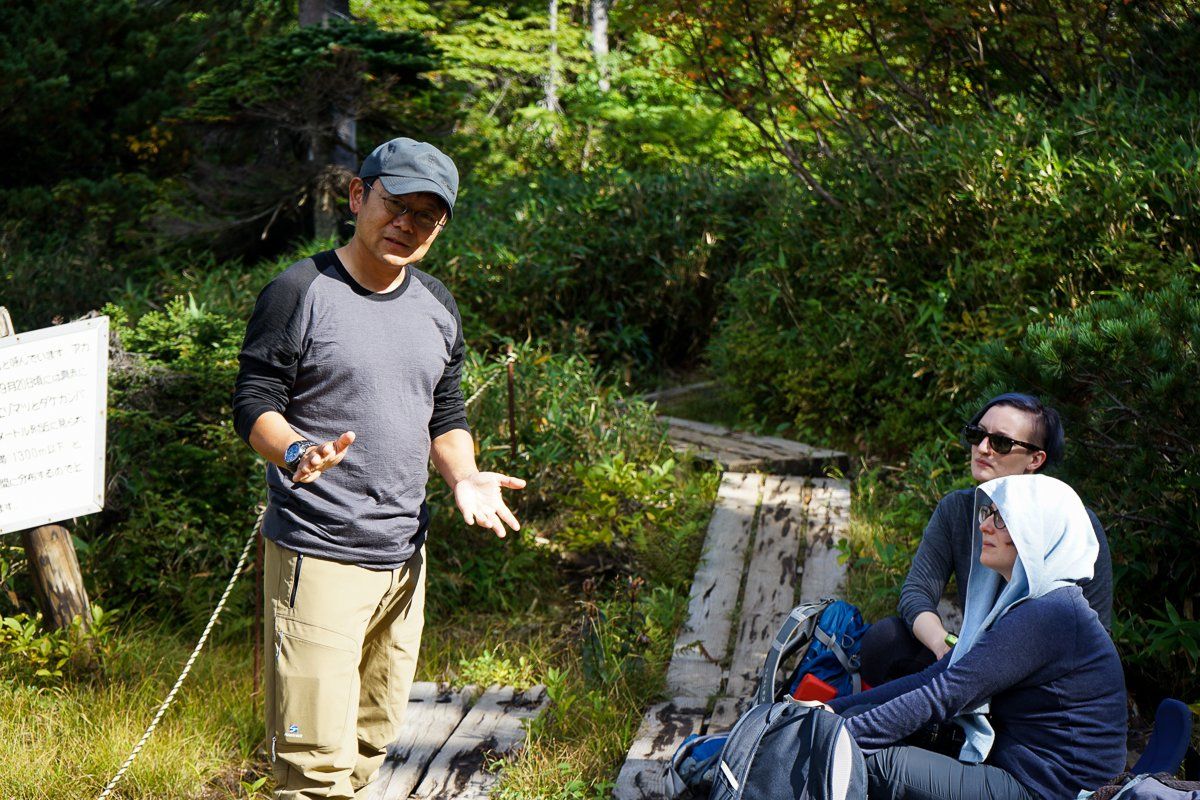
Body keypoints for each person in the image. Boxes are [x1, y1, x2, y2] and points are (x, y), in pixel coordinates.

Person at [232, 137, 526, 799]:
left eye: (428, 216)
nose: (408, 225)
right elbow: (255, 400)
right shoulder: (298, 291)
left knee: (371, 741)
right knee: (313, 768)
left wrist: (463, 475)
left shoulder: (436, 304)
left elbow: (444, 410)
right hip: (319, 555)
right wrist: (295, 451)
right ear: (359, 196)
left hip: (403, 558)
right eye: (397, 205)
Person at [828, 474, 1127, 800]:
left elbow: (943, 695)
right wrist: (831, 711)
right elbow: (936, 677)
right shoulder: (1028, 603)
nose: (985, 526)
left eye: (1003, 519)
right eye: (989, 514)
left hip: (1054, 789)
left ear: (1038, 534)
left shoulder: (1051, 614)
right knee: (852, 727)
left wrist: (835, 737)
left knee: (876, 764)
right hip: (1025, 765)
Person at [859, 392, 1113, 687]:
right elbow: (916, 593)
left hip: (1040, 675)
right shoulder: (958, 509)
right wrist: (944, 644)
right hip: (971, 657)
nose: (982, 448)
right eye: (976, 434)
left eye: (1000, 443)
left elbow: (1095, 633)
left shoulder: (1071, 523)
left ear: (1035, 459)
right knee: (885, 641)